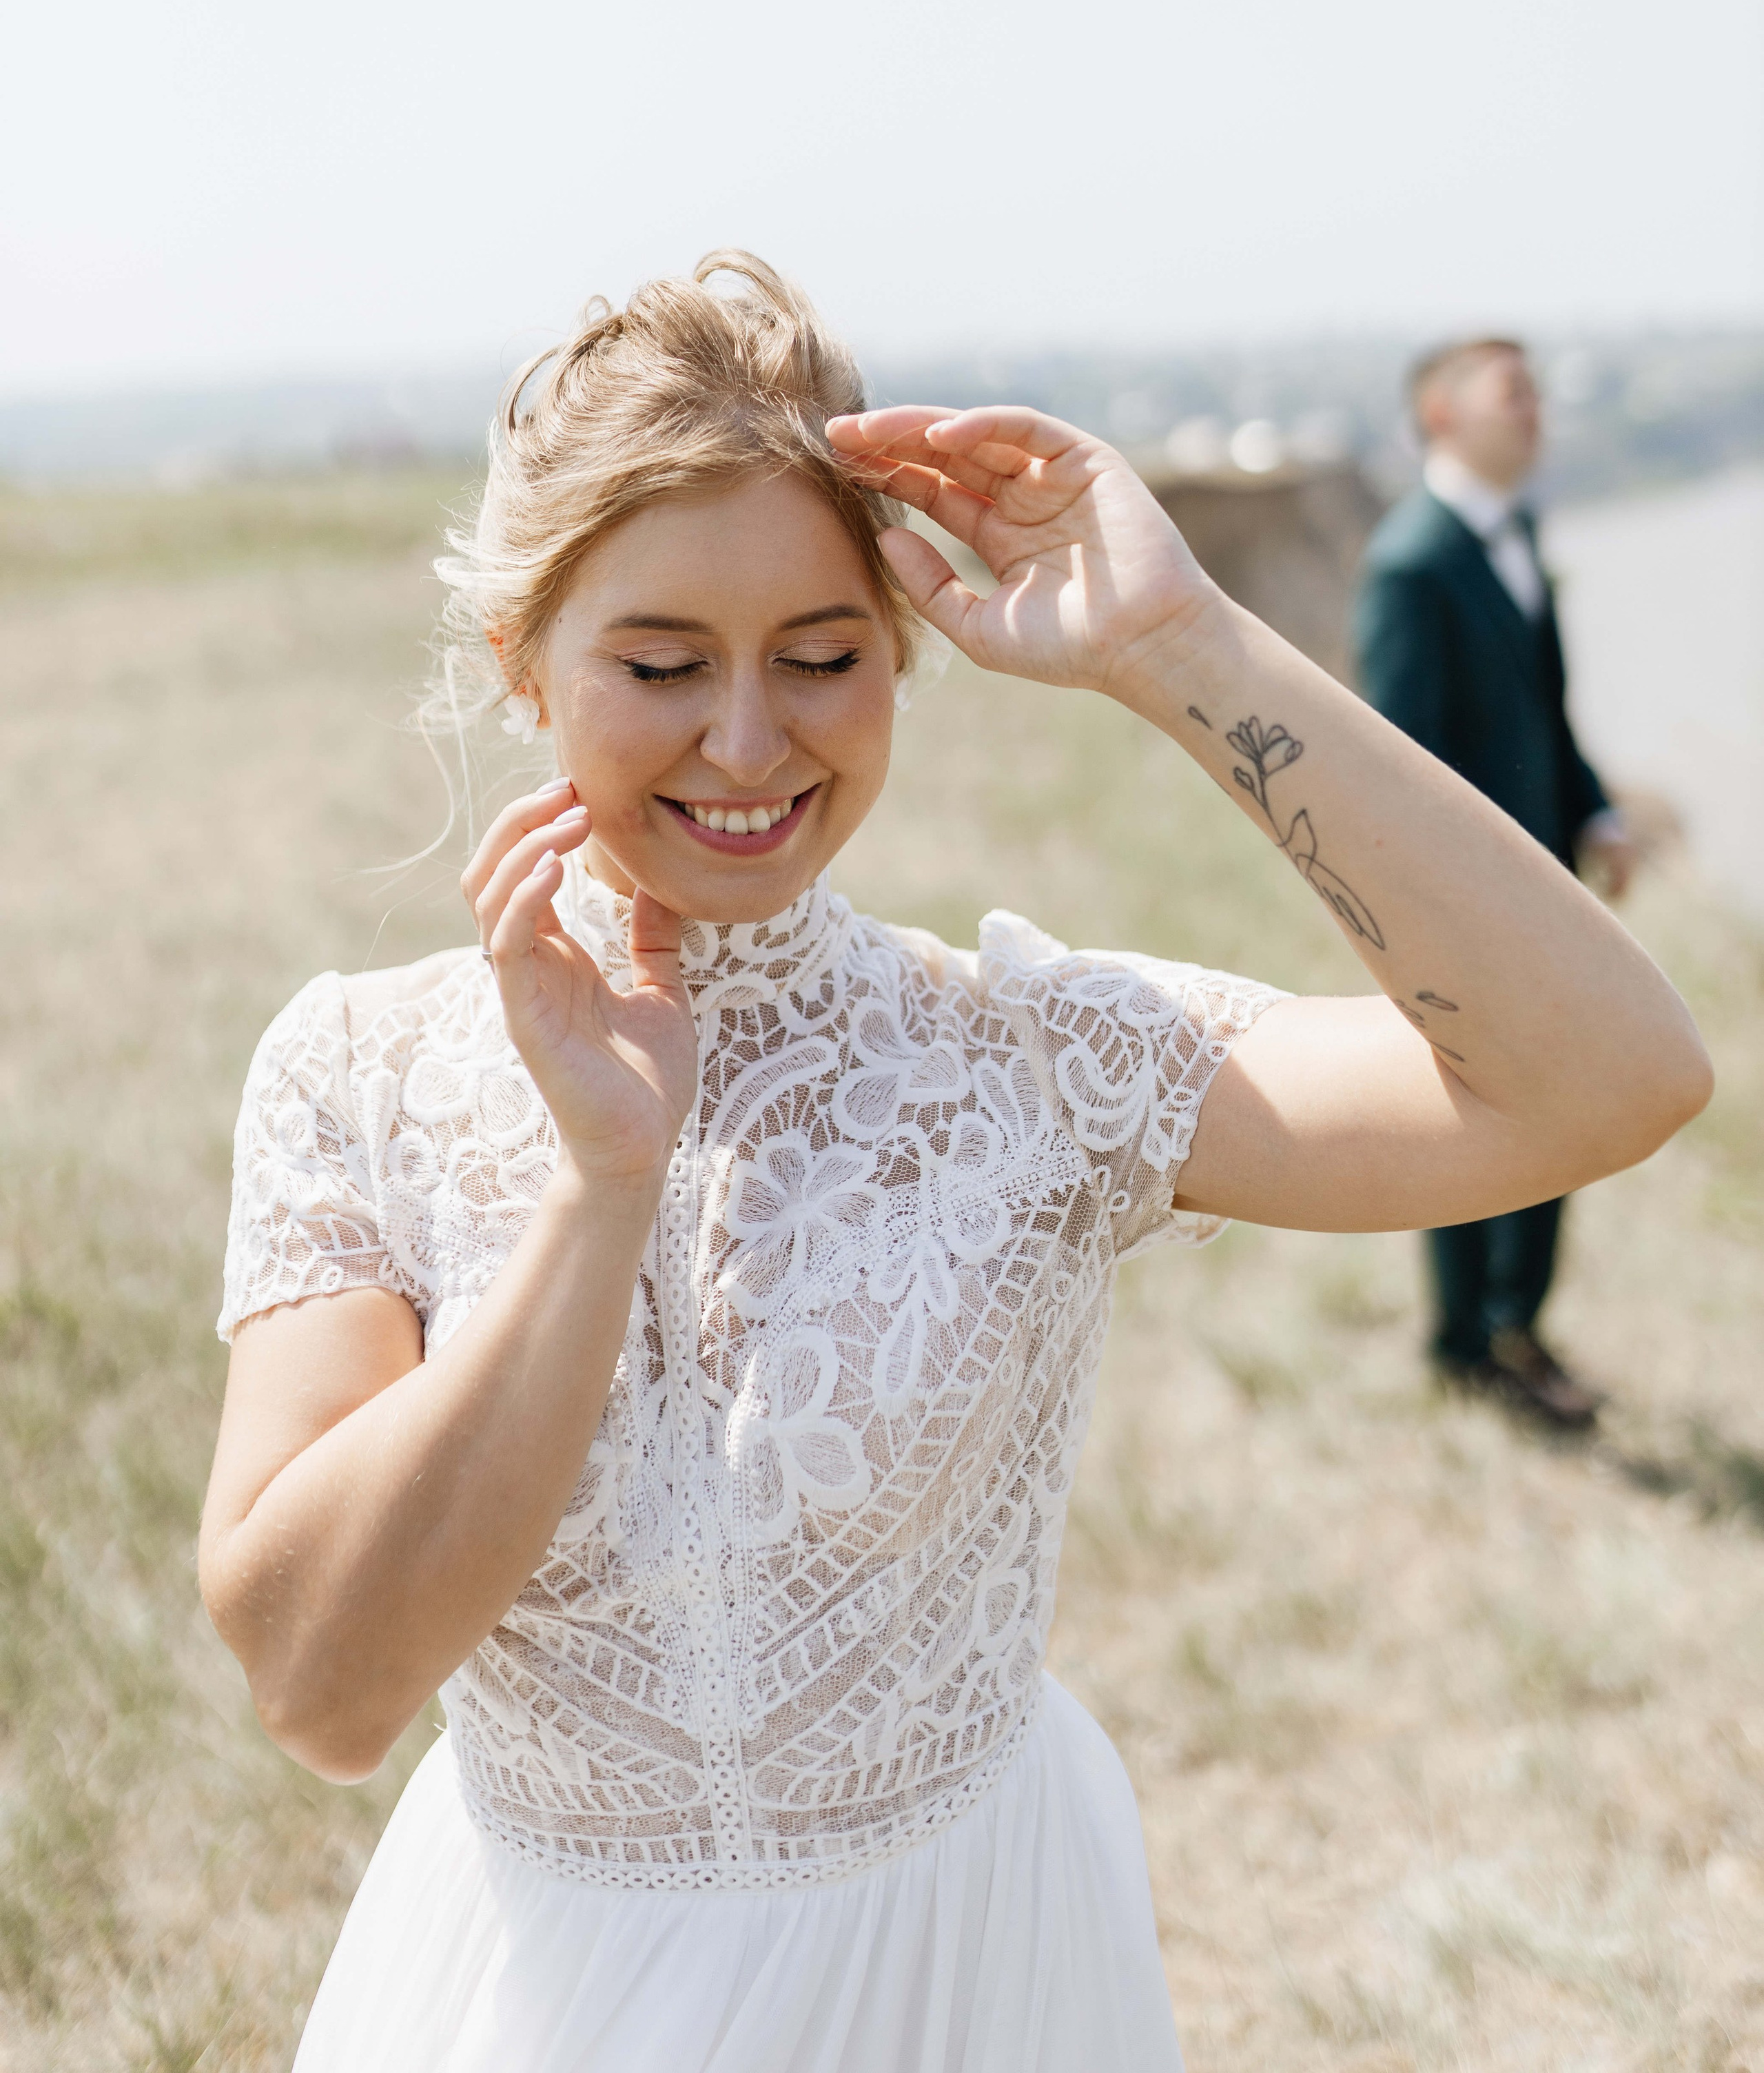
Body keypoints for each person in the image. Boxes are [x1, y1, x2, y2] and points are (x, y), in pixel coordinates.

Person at [199, 258, 1707, 2073]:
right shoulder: (355, 1069)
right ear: (524, 663)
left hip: (966, 1986)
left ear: (902, 650)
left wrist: (1183, 654)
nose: (748, 744)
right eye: (663, 664)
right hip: (540, 2000)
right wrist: (601, 1194)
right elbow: (324, 1689)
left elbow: (1608, 1078)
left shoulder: (1030, 1056)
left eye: (823, 660)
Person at [1353, 336, 1639, 1429]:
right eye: (1513, 393)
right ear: (1441, 414)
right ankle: (1472, 1344)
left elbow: (1544, 712)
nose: (1537, 413)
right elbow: (1401, 766)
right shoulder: (1411, 564)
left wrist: (1597, 809)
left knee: (1561, 1110)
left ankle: (1517, 1327)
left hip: (1545, 892)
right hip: (1472, 915)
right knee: (1483, 1128)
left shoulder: (1514, 535)